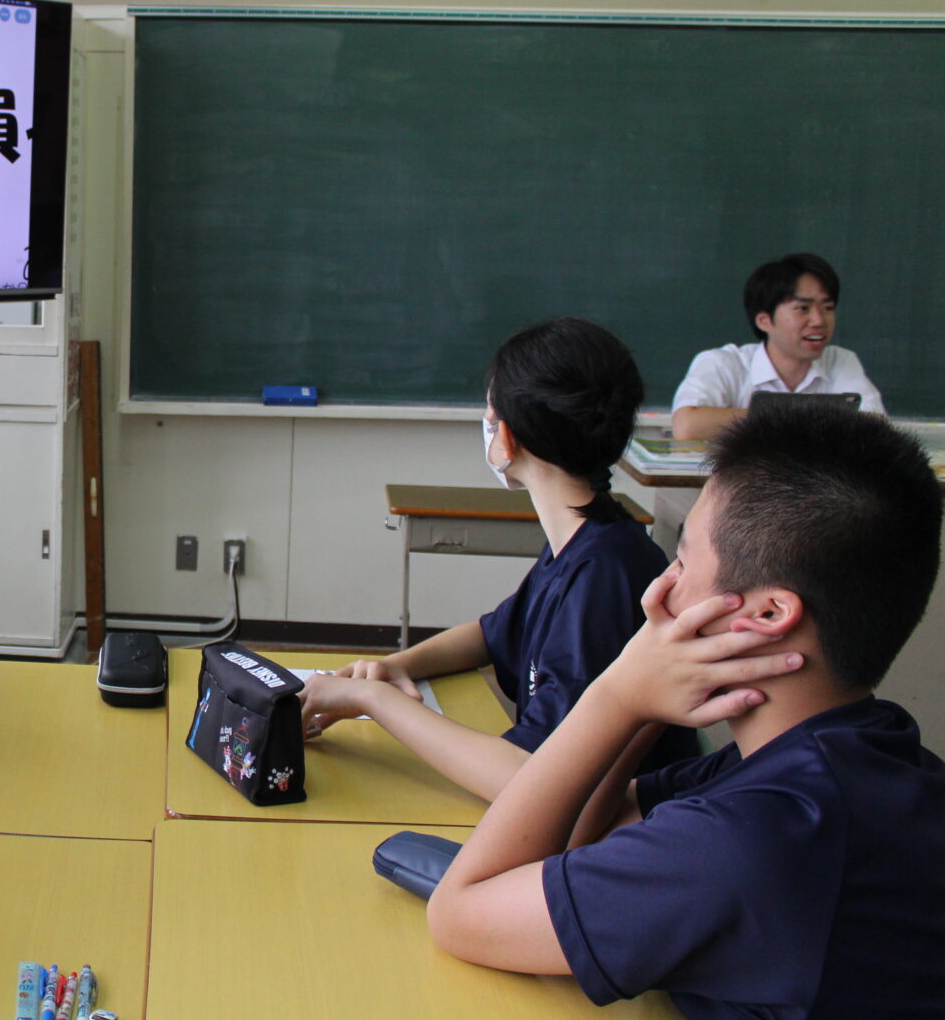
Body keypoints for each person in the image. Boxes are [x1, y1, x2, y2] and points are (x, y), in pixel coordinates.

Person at [427, 408, 945, 1017]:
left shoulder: (750, 840)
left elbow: (461, 913)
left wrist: (616, 692)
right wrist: (643, 707)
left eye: (681, 559)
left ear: (769, 615)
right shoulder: (849, 752)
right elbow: (581, 838)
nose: (657, 592)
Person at [300, 318, 698, 801]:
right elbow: (490, 635)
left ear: (506, 440)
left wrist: (372, 699)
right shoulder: (588, 540)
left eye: (490, 414)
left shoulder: (604, 573)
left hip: (619, 840)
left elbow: (531, 782)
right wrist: (396, 666)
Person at [672, 252, 884, 441]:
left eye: (828, 308)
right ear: (764, 320)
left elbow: (875, 426)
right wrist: (806, 417)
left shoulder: (840, 361)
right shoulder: (723, 363)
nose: (819, 320)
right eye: (803, 308)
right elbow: (687, 426)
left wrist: (768, 418)